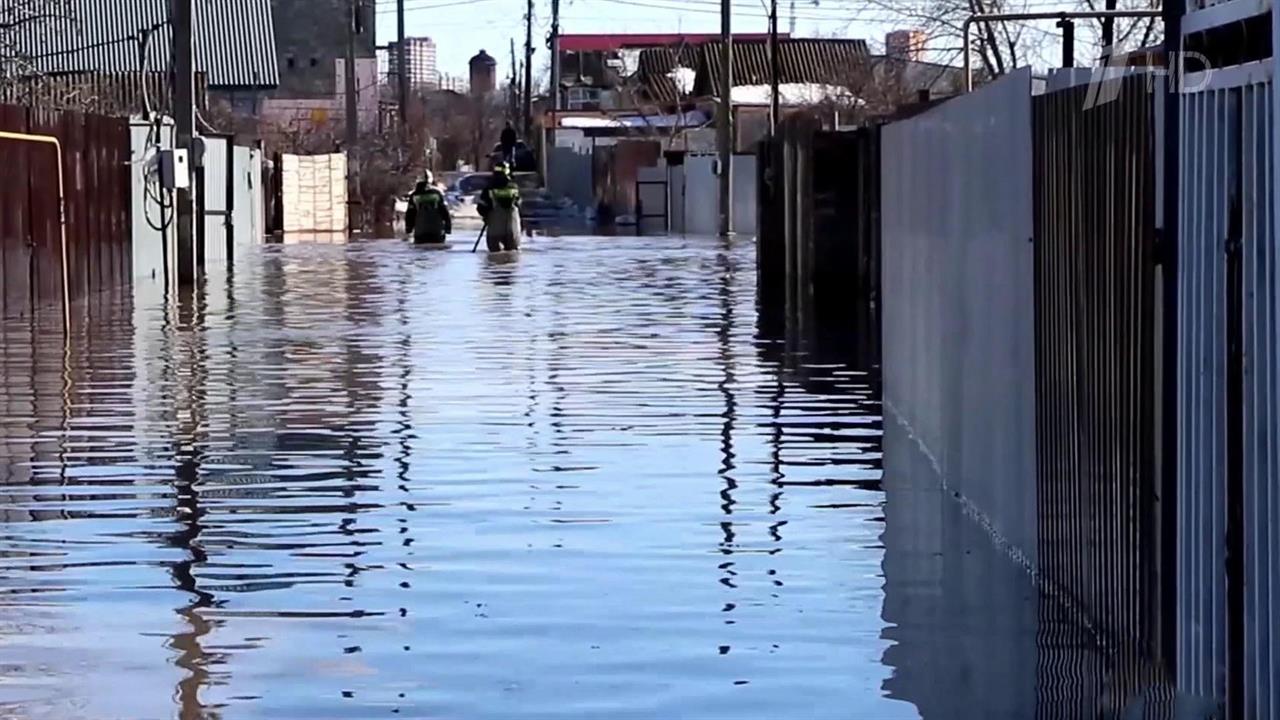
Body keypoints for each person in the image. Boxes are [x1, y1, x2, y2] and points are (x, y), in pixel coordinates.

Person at [477, 162, 521, 252]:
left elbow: (481, 207)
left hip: (495, 228)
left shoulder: (489, 188)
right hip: (512, 228)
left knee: (494, 252)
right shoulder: (514, 187)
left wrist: (485, 216)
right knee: (513, 253)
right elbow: (519, 204)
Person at [406, 172, 451, 245]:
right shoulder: (436, 193)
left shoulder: (414, 195)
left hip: (420, 232)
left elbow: (410, 214)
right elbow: (444, 211)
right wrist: (448, 227)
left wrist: (409, 228)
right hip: (437, 231)